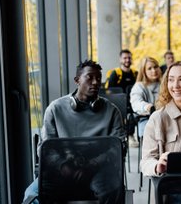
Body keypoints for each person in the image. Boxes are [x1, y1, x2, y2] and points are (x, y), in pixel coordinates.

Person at [23, 60, 124, 203]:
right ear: (77, 80)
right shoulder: (55, 109)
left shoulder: (112, 111)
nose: (95, 82)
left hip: (100, 169)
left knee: (112, 191)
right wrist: (63, 166)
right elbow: (45, 148)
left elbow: (119, 147)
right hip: (63, 169)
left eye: (98, 78)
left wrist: (93, 165)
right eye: (89, 77)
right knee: (32, 195)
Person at [104, 49, 138, 147]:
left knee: (132, 114)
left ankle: (131, 135)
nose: (127, 60)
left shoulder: (135, 74)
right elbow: (109, 91)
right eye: (125, 58)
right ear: (120, 59)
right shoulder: (115, 73)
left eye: (129, 58)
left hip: (131, 102)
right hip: (118, 102)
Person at [130, 57, 161, 138]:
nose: (154, 71)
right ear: (144, 71)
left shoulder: (165, 84)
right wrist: (147, 107)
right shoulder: (139, 86)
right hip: (146, 119)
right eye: (149, 68)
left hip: (165, 118)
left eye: (155, 67)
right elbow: (136, 103)